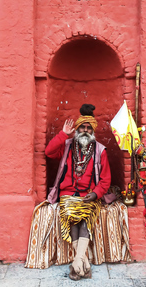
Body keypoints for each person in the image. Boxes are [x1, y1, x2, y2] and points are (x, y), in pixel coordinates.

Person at [45, 104, 111, 280]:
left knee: (85, 219)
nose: (85, 130)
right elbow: (49, 152)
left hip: (89, 194)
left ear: (93, 130)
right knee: (72, 217)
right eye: (82, 127)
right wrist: (63, 134)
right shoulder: (67, 145)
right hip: (68, 194)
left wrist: (96, 194)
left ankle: (77, 265)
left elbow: (105, 180)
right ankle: (83, 264)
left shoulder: (100, 150)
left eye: (89, 128)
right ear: (77, 128)